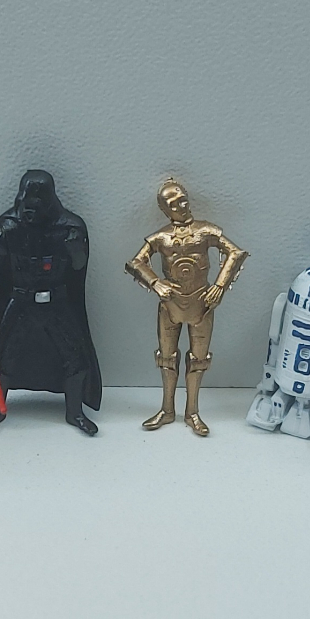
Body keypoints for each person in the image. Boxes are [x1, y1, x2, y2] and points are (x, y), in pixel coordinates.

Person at [0, 170, 102, 435]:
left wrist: (75, 251)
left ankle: (75, 412)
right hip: (21, 301)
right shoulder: (7, 229)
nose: (29, 210)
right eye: (26, 202)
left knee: (75, 357)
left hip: (57, 302)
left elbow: (78, 267)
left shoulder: (69, 227)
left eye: (37, 203)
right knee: (3, 356)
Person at [125, 179, 247, 436]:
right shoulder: (160, 237)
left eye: (183, 199)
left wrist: (220, 286)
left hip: (202, 303)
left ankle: (192, 412)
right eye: (173, 204)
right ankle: (167, 409)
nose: (181, 206)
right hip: (170, 304)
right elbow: (135, 263)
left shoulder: (206, 230)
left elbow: (235, 253)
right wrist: (156, 282)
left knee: (198, 360)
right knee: (166, 359)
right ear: (164, 210)